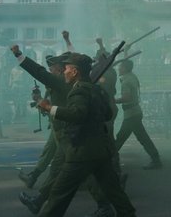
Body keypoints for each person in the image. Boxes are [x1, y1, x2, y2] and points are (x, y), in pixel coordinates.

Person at [35, 53, 135, 217]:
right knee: (116, 195)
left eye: (66, 68)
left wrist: (49, 108)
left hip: (81, 153)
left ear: (74, 72)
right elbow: (108, 114)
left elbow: (77, 115)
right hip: (101, 151)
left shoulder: (79, 92)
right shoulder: (97, 89)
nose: (64, 71)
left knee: (57, 197)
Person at [17, 55, 63, 189]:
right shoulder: (56, 82)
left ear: (59, 68)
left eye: (52, 67)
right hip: (57, 124)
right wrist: (39, 99)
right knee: (49, 151)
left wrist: (39, 100)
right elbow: (47, 105)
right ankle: (33, 177)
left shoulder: (59, 82)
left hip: (62, 125)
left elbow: (51, 106)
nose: (50, 70)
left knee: (69, 159)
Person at [114, 60, 162, 170]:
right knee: (142, 137)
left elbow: (127, 98)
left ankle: (107, 160)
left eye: (120, 67)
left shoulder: (126, 81)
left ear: (125, 68)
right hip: (134, 112)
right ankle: (156, 159)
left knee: (121, 138)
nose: (118, 69)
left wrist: (113, 101)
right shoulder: (132, 76)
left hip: (131, 114)